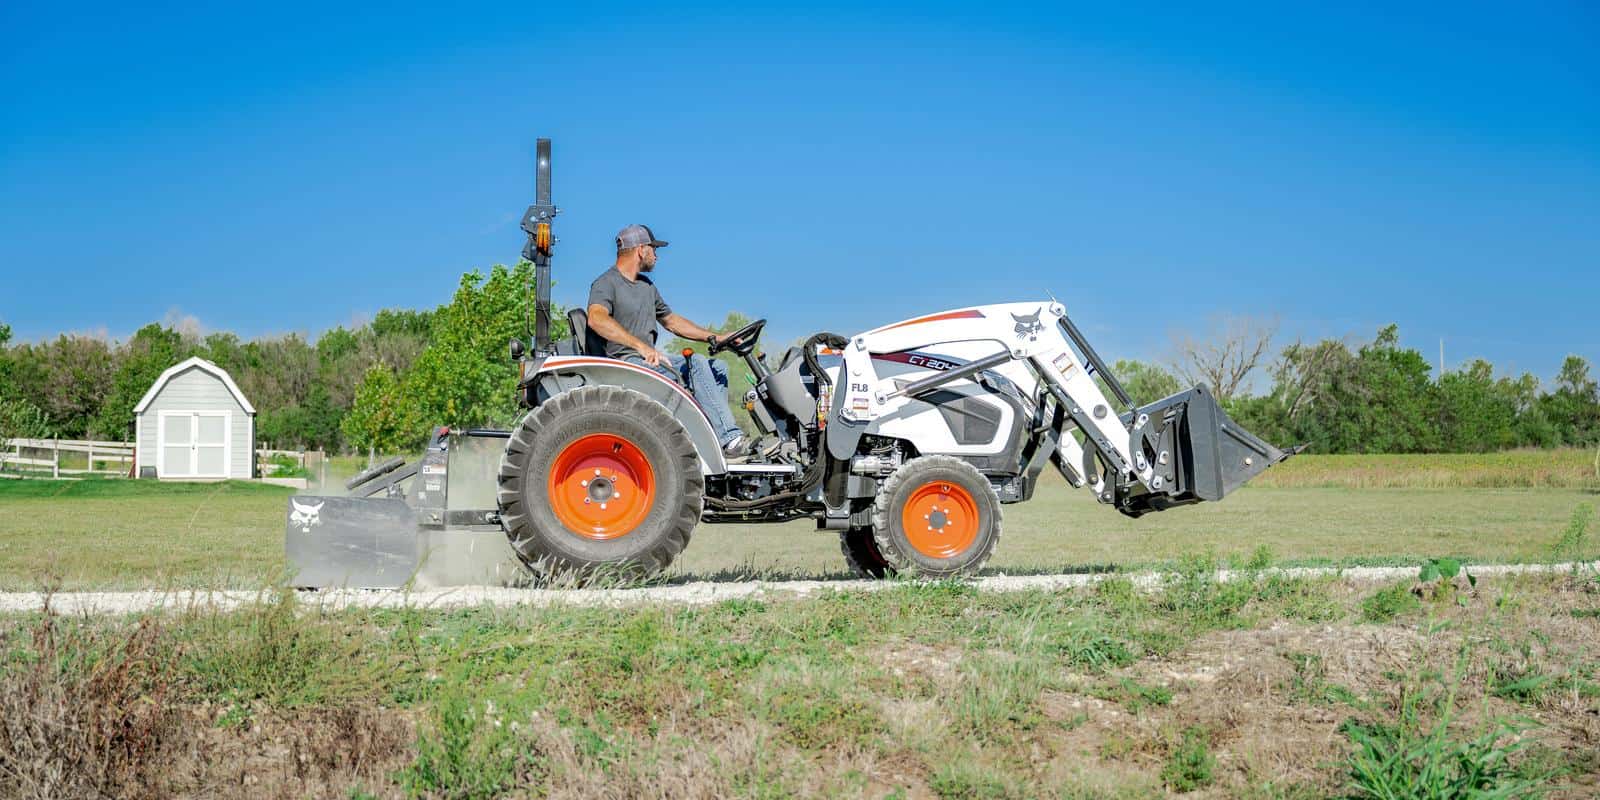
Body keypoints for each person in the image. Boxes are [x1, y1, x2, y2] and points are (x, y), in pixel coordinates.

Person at [586, 224, 753, 459]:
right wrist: (641, 346)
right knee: (695, 361)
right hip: (626, 363)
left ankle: (713, 436)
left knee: (718, 367)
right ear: (640, 250)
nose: (656, 255)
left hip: (647, 361)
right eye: (653, 249)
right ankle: (727, 438)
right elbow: (596, 318)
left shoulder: (646, 286)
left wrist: (715, 337)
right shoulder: (606, 283)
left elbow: (672, 321)